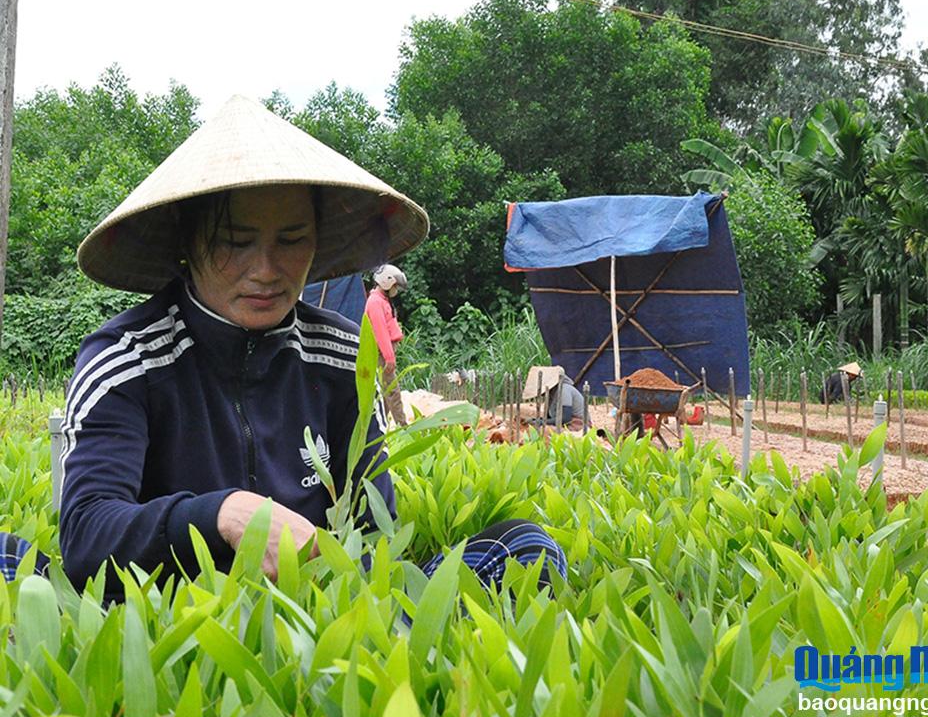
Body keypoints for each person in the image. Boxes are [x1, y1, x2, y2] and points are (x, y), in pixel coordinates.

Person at [34, 95, 567, 601]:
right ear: (186, 244)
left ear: (316, 241)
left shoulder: (340, 356)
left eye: (290, 241)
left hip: (320, 613)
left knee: (525, 547)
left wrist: (341, 586)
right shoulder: (126, 359)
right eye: (235, 241)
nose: (266, 270)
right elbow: (87, 535)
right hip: (171, 612)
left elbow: (371, 532)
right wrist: (221, 515)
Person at [365, 264, 408, 427]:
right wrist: (389, 357)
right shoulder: (375, 302)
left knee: (385, 394)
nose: (396, 289)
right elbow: (380, 332)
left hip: (386, 351)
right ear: (387, 282)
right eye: (395, 286)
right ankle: (403, 427)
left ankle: (381, 426)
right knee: (392, 392)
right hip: (383, 354)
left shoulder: (381, 300)